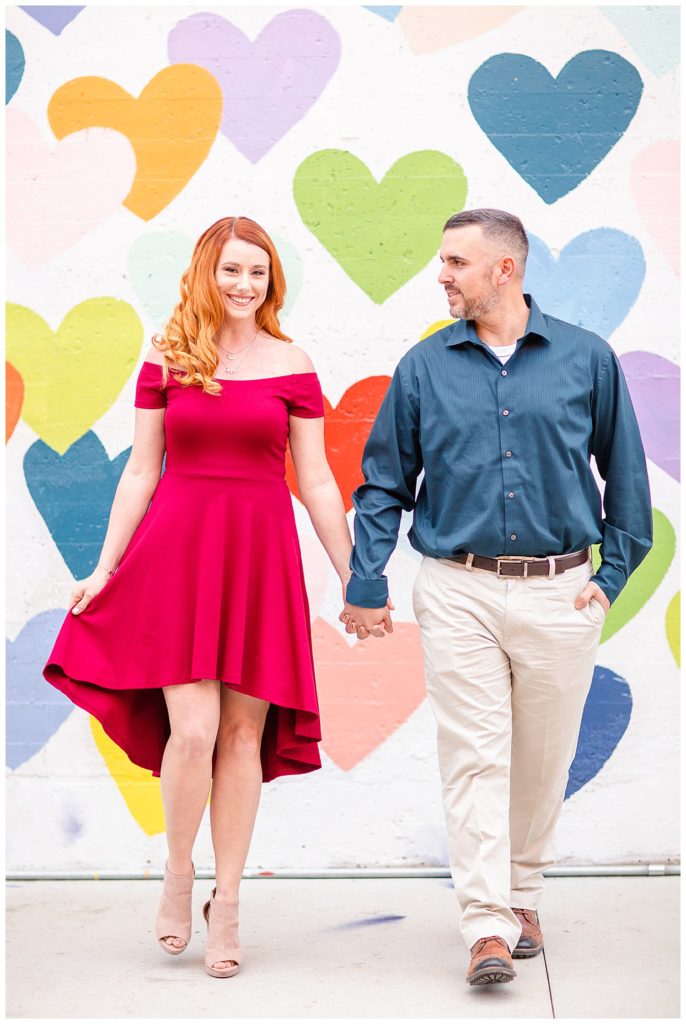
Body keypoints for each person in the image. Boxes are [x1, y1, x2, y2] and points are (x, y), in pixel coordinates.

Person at [339, 208, 652, 986]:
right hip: (457, 587)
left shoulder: (586, 359)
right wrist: (368, 578)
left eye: (455, 262)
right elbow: (383, 482)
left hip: (561, 592)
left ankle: (523, 893)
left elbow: (629, 480)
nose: (441, 274)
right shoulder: (425, 367)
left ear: (504, 270)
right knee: (475, 756)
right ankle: (486, 923)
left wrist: (607, 581)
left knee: (542, 759)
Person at [44, 216, 352, 979]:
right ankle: (178, 873)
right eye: (230, 271)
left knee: (244, 737)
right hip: (180, 556)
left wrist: (357, 577)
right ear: (203, 274)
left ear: (271, 281)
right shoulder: (167, 356)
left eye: (257, 272)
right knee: (192, 732)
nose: (244, 285)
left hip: (260, 558)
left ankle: (231, 899)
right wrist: (103, 569)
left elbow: (314, 482)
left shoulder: (293, 362)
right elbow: (140, 471)